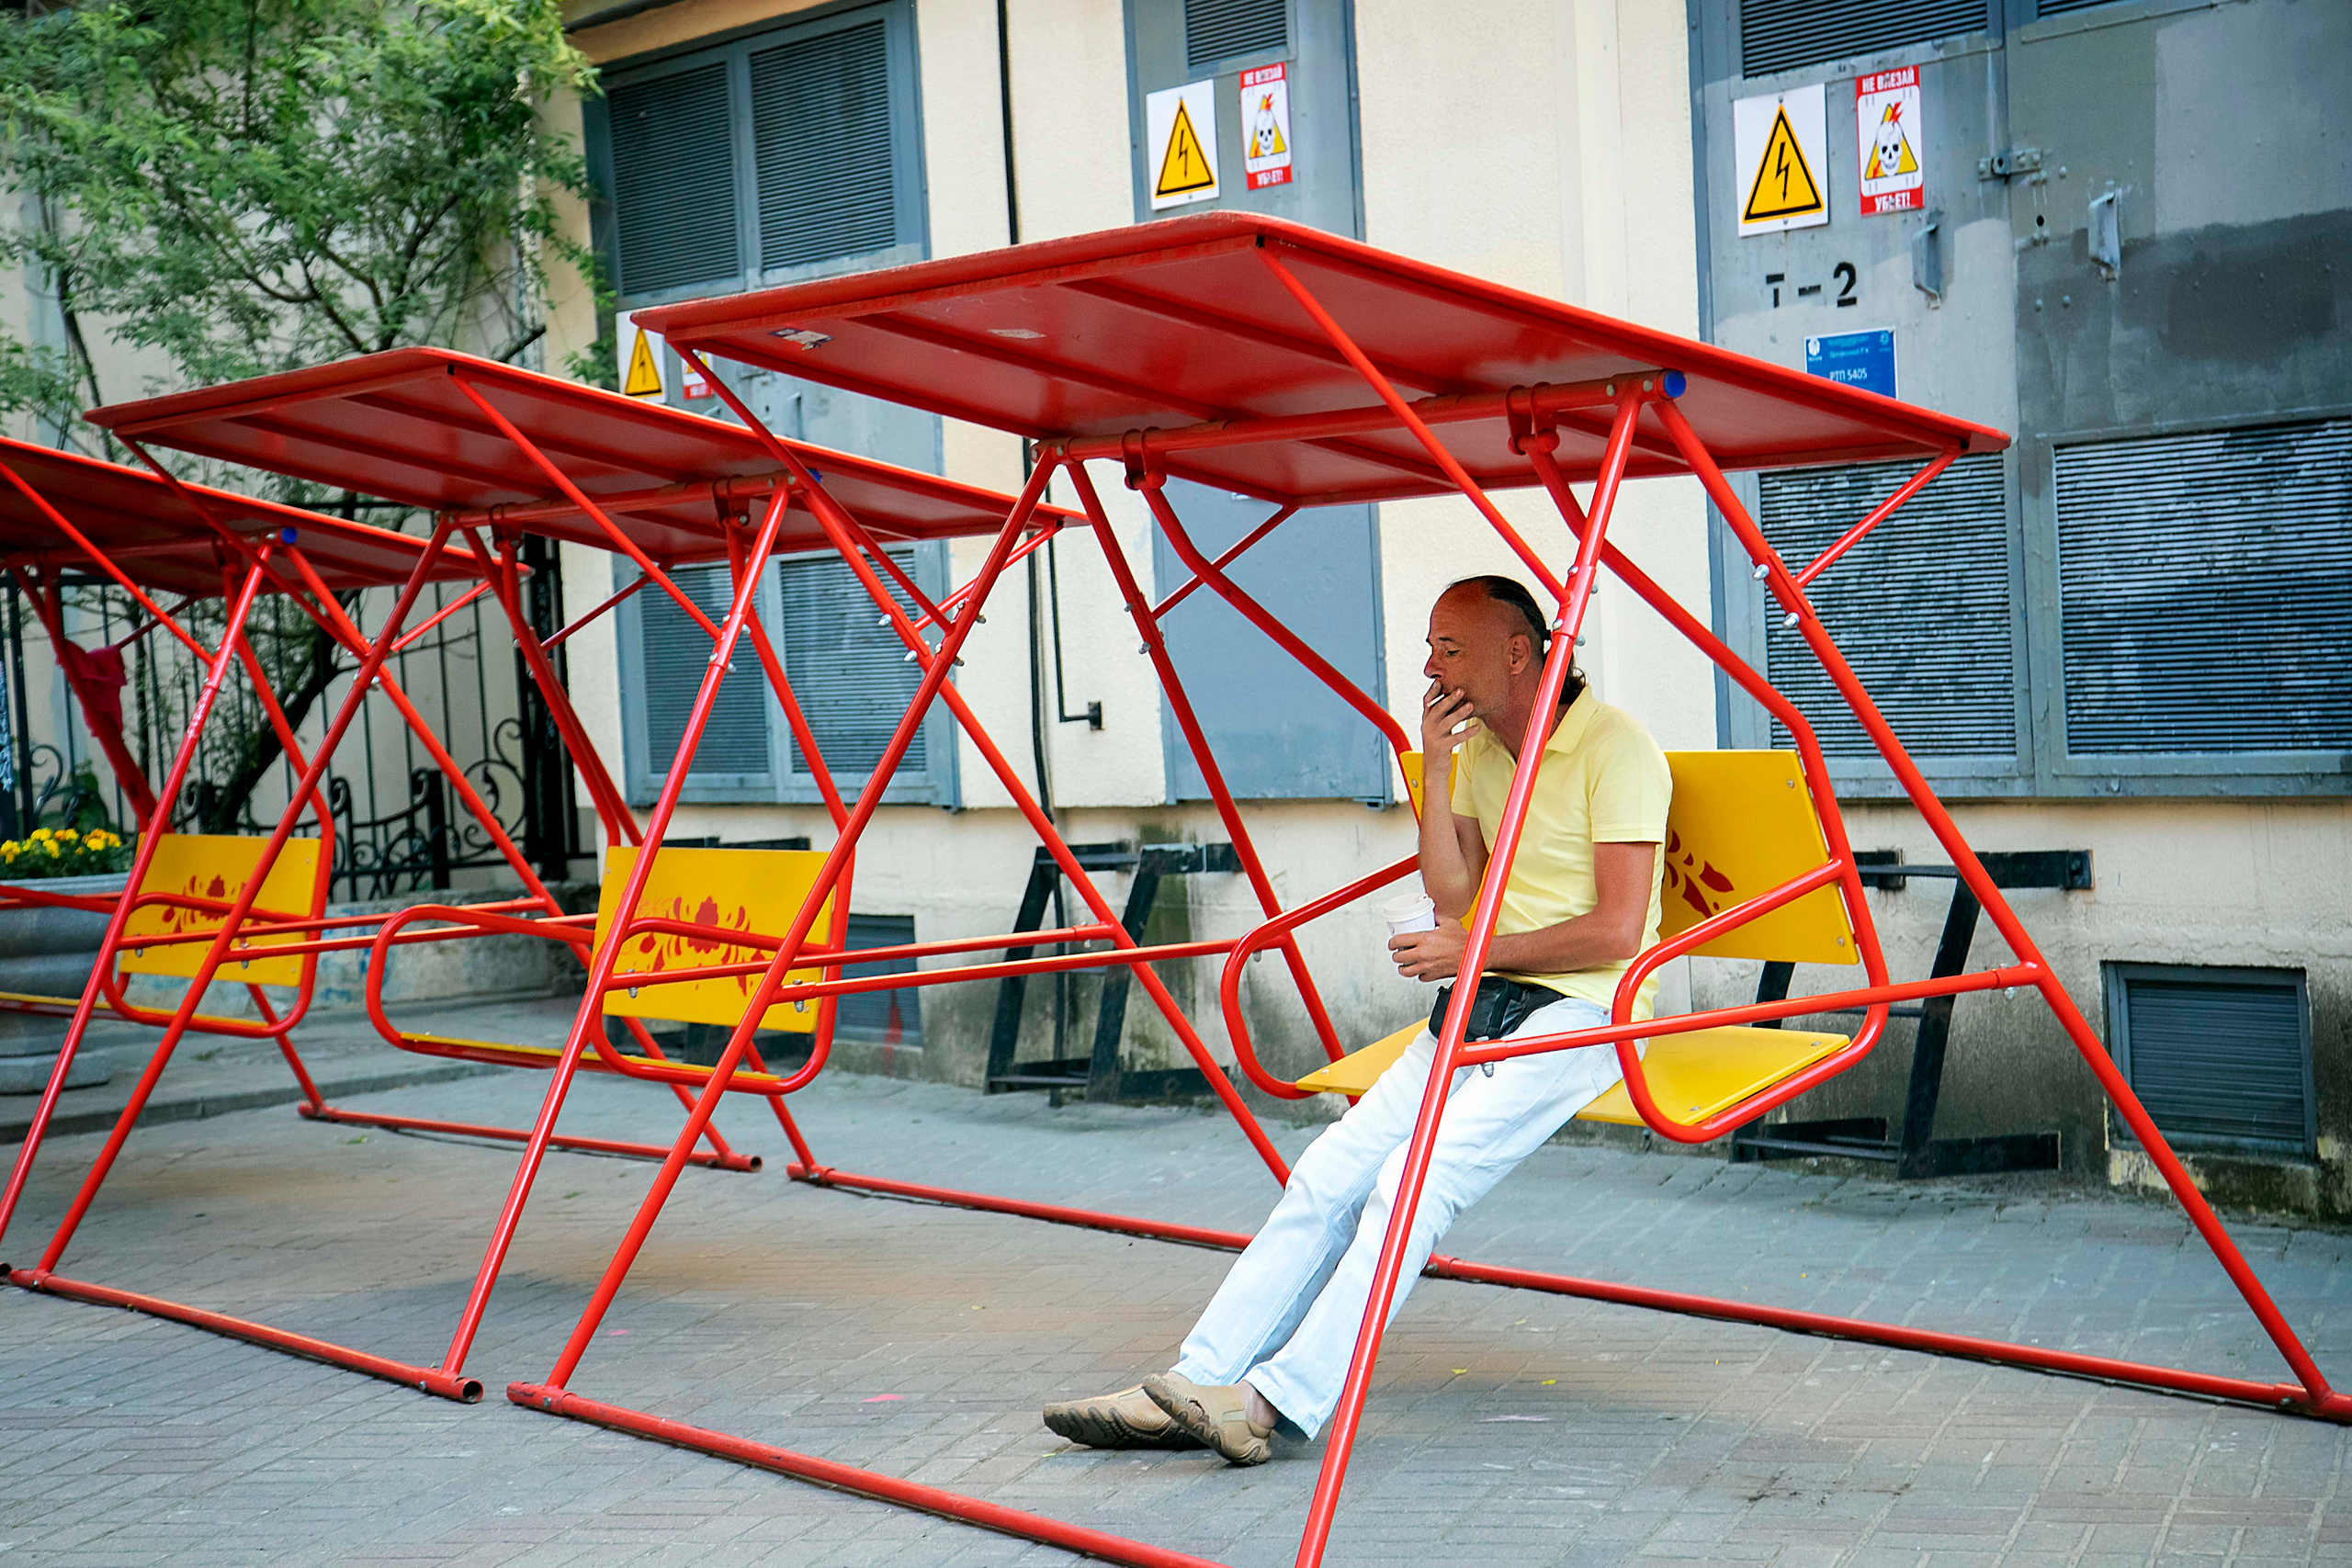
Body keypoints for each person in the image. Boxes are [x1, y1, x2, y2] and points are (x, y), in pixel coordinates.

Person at [1042, 575, 1673, 1463]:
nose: (1429, 664)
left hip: (1590, 1013)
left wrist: (1475, 954)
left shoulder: (1618, 750)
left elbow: (1616, 927)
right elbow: (1457, 894)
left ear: (1518, 651)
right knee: (1329, 1171)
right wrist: (1439, 762)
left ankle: (1267, 1403)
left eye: (1449, 648)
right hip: (1484, 1002)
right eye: (1430, 645)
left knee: (1414, 1184)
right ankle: (1195, 1377)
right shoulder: (1488, 751)